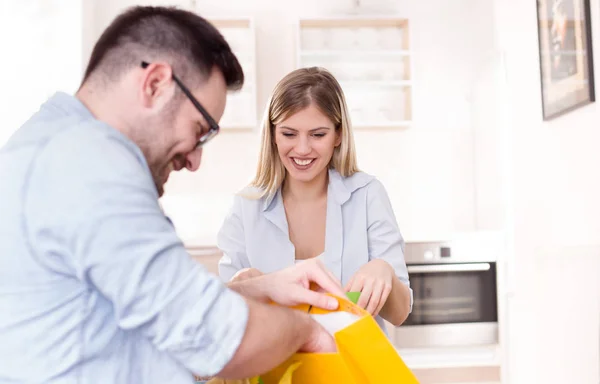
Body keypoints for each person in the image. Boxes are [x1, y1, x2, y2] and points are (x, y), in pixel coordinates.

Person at [0, 7, 347, 384]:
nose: (195, 159)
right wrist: (302, 328)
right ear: (155, 84)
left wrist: (258, 290)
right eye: (200, 129)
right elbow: (219, 340)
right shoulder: (88, 162)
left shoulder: (53, 142)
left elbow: (141, 305)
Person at [217, 67, 413, 333]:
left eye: (318, 134)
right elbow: (222, 317)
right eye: (289, 134)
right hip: (277, 372)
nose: (302, 149)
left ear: (338, 134)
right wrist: (245, 288)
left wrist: (384, 272)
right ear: (273, 135)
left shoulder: (367, 195)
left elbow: (399, 314)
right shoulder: (246, 206)